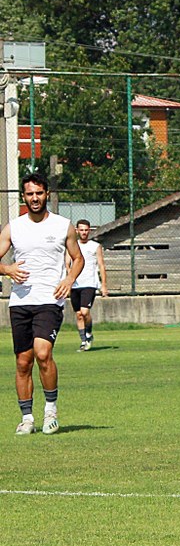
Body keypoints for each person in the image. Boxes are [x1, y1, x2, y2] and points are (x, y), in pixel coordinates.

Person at [0, 174, 84, 435]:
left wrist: (69, 280)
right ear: (23, 197)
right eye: (29, 194)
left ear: (47, 194)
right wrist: (7, 269)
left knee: (43, 353)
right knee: (23, 362)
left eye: (39, 193)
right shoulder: (14, 227)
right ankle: (27, 418)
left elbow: (78, 258)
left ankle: (50, 412)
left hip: (50, 300)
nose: (34, 198)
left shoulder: (63, 226)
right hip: (20, 302)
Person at [69, 219, 109, 351]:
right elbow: (67, 264)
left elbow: (101, 265)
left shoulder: (95, 246)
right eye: (81, 230)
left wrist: (103, 285)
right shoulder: (72, 245)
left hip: (89, 283)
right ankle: (83, 341)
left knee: (85, 312)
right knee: (79, 314)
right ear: (77, 231)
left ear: (89, 230)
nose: (84, 232)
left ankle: (89, 333)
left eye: (86, 230)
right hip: (75, 284)